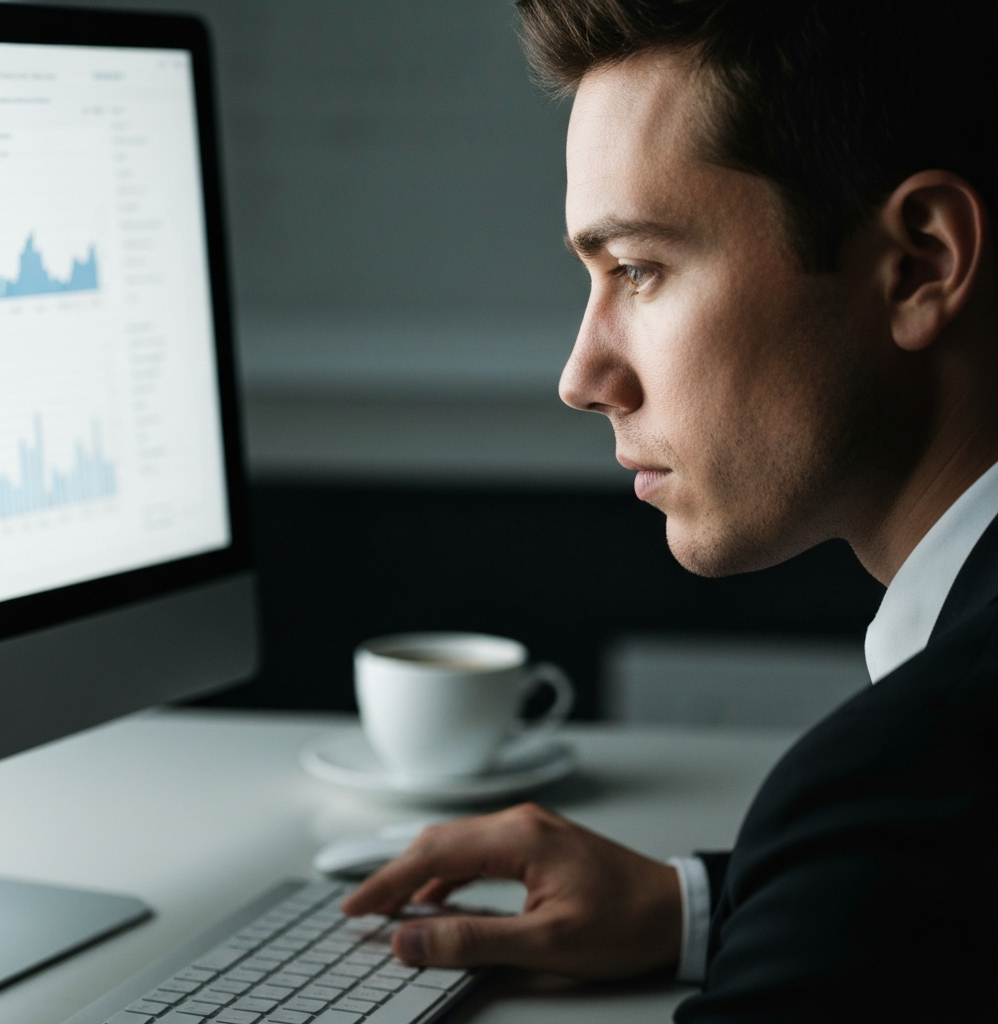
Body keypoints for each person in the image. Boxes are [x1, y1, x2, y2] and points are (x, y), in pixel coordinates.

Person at [343, 1, 998, 1019]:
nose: (581, 375)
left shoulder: (898, 791)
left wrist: (826, 874)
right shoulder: (902, 830)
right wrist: (698, 903)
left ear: (919, 263)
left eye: (638, 269)